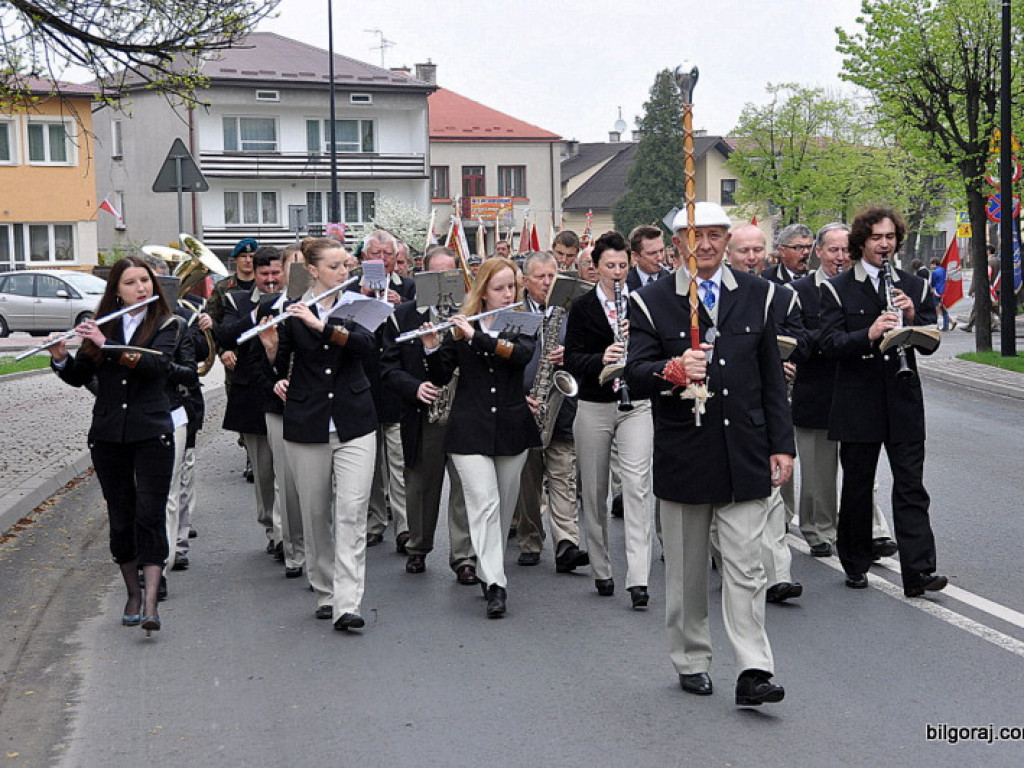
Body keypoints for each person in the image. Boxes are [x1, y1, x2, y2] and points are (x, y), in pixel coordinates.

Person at [626, 202, 793, 706]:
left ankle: (754, 668)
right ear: (678, 243)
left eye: (715, 235)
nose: (706, 245)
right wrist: (674, 370)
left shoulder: (763, 296)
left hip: (744, 450)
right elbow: (634, 372)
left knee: (747, 567)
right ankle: (692, 658)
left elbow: (771, 379)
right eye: (695, 236)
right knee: (688, 573)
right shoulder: (652, 301)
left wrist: (782, 445)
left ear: (727, 239)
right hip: (686, 451)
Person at [819, 207, 947, 598]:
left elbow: (930, 341)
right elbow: (828, 344)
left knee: (911, 486)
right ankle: (855, 562)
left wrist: (911, 317)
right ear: (862, 242)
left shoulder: (915, 285)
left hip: (903, 398)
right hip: (859, 400)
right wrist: (869, 332)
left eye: (890, 238)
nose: (885, 244)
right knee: (857, 486)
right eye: (877, 238)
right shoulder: (838, 288)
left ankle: (919, 571)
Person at [48, 256, 179, 635]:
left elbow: (157, 368)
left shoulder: (168, 325)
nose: (141, 288)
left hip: (152, 431)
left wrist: (108, 345)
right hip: (108, 435)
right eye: (131, 283)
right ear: (116, 291)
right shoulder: (102, 325)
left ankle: (152, 602)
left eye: (145, 280)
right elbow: (80, 377)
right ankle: (133, 594)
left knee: (149, 514)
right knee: (121, 516)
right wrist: (61, 359)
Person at [420, 258, 541, 619]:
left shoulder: (522, 322)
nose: (508, 294)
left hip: (511, 426)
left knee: (503, 508)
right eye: (501, 288)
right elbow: (441, 374)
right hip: (468, 428)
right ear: (483, 291)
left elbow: (518, 356)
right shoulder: (460, 326)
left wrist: (479, 337)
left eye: (512, 287)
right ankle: (496, 584)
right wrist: (430, 346)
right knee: (483, 503)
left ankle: (491, 569)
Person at [272, 238, 378, 632]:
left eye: (345, 265)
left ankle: (347, 603)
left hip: (354, 421)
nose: (342, 272)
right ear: (312, 271)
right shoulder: (288, 310)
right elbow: (277, 363)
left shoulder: (358, 304)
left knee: (350, 511)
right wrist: (275, 375)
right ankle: (324, 590)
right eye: (333, 267)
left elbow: (368, 349)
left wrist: (324, 326)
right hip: (308, 422)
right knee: (315, 514)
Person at [564, 231, 654, 610]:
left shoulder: (642, 303)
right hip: (595, 403)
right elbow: (572, 359)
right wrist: (603, 357)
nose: (617, 273)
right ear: (594, 268)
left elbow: (658, 351)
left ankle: (639, 577)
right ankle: (602, 567)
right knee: (595, 489)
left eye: (622, 266)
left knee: (636, 486)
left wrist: (637, 347)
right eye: (609, 266)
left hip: (636, 403)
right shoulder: (582, 307)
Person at [380, 246, 479, 583]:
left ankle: (464, 557)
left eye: (448, 275)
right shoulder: (402, 315)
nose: (441, 282)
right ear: (423, 274)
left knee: (464, 488)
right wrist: (413, 387)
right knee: (421, 484)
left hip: (463, 410)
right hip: (423, 412)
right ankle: (418, 547)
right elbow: (388, 366)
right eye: (434, 274)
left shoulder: (468, 314)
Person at [513, 251, 589, 573]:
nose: (547, 283)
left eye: (552, 276)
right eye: (540, 277)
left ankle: (566, 542)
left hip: (563, 404)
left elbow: (588, 353)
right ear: (526, 281)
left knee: (563, 476)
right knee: (528, 481)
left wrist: (569, 354)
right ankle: (531, 538)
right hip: (527, 403)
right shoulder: (514, 312)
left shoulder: (572, 311)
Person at [215, 248, 286, 556]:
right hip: (253, 398)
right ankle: (271, 525)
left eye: (275, 274)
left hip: (288, 397)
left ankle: (287, 534)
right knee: (265, 470)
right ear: (254, 275)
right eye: (264, 275)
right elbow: (225, 335)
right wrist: (256, 315)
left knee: (289, 471)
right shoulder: (237, 301)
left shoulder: (296, 302)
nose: (270, 281)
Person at [625, 225, 669, 291]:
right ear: (635, 256)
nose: (660, 258)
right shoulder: (624, 284)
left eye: (661, 251)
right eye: (652, 253)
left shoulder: (671, 280)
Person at [929, 256, 956, 330]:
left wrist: (931, 288)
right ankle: (947, 324)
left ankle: (936, 325)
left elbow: (933, 283)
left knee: (936, 309)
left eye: (931, 264)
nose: (930, 266)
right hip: (944, 292)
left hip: (937, 292)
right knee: (943, 309)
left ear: (934, 264)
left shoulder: (934, 272)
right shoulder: (944, 270)